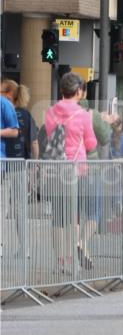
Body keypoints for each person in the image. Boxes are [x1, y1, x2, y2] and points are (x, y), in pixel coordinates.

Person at [44, 73, 98, 270]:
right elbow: (91, 144)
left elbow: (51, 136)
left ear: (61, 91)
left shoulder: (50, 112)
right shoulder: (83, 114)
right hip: (77, 170)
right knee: (74, 216)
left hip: (56, 168)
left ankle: (61, 261)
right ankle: (73, 258)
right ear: (77, 91)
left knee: (58, 218)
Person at [1, 80, 35, 159]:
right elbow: (34, 141)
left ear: (8, 94)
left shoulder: (5, 109)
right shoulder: (26, 114)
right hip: (22, 160)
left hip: (7, 160)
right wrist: (35, 160)